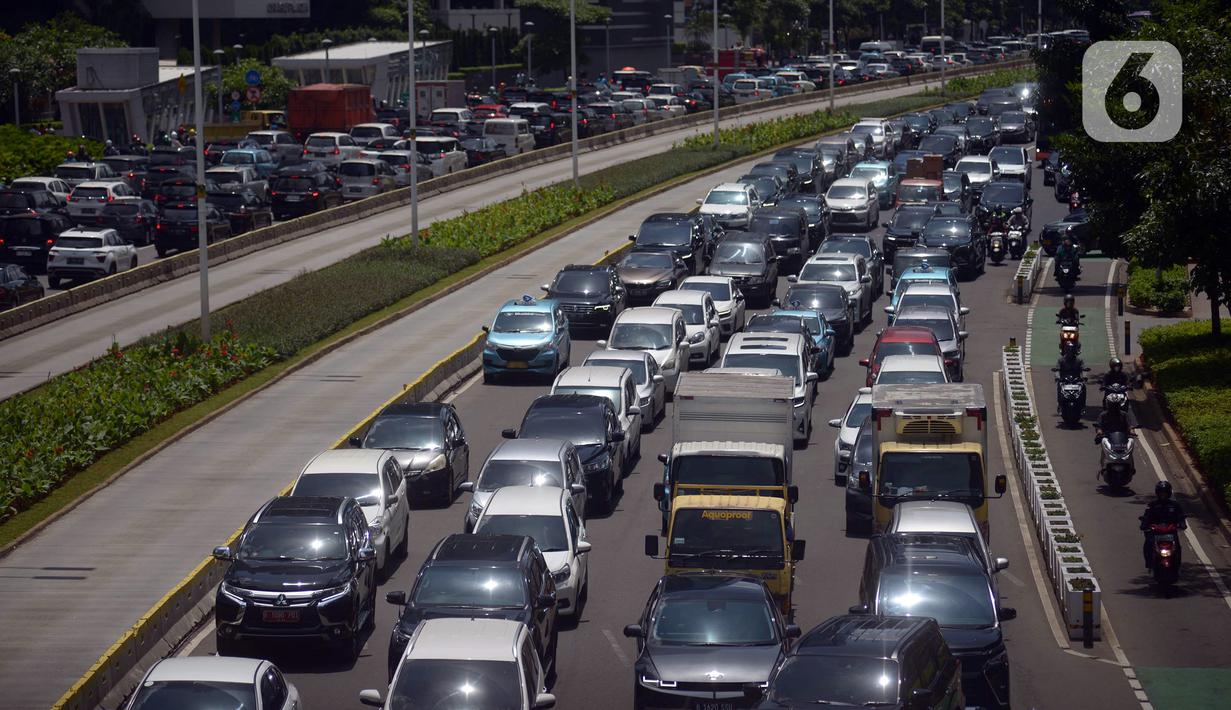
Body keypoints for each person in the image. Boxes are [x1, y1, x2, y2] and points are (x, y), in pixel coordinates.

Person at [1140, 480, 1186, 569]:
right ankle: (1149, 563)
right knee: (1148, 544)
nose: (1163, 495)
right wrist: (1144, 525)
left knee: (1177, 547)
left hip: (1170, 531)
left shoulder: (1174, 505)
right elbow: (1146, 516)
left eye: (1165, 493)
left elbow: (1180, 516)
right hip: (1156, 532)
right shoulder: (1152, 505)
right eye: (1161, 493)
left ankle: (1177, 564)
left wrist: (1182, 524)